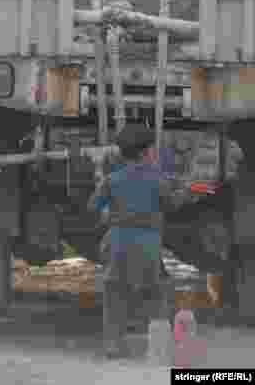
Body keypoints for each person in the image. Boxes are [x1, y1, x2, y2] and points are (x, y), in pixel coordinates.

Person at [89, 125, 178, 359]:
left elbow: (92, 207)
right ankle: (158, 345)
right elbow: (172, 205)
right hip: (149, 243)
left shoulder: (112, 179)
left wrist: (100, 180)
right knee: (157, 291)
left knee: (114, 291)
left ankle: (113, 345)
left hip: (119, 241)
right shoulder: (157, 179)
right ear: (147, 152)